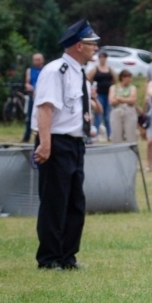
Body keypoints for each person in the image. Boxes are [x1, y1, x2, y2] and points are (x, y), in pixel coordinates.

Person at [31, 19, 100, 270]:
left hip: (75, 144)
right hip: (56, 142)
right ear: (79, 45)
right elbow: (45, 108)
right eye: (92, 43)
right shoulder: (55, 71)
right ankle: (49, 258)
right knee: (54, 202)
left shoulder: (79, 73)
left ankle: (68, 257)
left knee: (74, 203)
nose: (96, 48)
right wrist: (45, 144)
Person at [87, 51, 117, 140]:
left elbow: (115, 79)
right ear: (99, 58)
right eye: (101, 57)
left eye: (104, 57)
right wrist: (91, 88)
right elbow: (88, 78)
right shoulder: (95, 69)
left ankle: (109, 134)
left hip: (108, 94)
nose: (103, 59)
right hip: (99, 94)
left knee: (107, 115)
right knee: (98, 114)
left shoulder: (109, 69)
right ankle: (95, 134)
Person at [109, 69, 140, 143]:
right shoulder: (113, 87)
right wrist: (127, 99)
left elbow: (133, 100)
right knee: (116, 135)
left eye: (130, 77)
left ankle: (131, 148)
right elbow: (112, 101)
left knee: (131, 134)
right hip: (117, 112)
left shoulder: (132, 88)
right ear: (122, 77)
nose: (130, 79)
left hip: (129, 112)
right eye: (128, 77)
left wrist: (119, 98)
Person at [21, 53, 44, 143]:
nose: (36, 62)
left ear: (42, 60)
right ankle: (26, 136)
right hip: (33, 95)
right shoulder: (30, 70)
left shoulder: (46, 70)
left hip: (42, 95)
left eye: (38, 60)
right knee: (30, 116)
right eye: (35, 60)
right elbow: (27, 83)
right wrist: (30, 87)